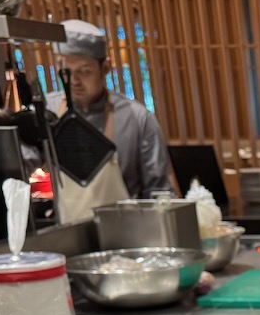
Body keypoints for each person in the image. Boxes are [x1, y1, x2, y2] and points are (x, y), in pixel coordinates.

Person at [46, 20, 173, 198]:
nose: (73, 81)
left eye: (85, 71)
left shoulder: (137, 118)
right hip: (64, 223)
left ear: (105, 68)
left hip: (125, 223)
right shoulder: (46, 112)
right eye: (65, 70)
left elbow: (159, 193)